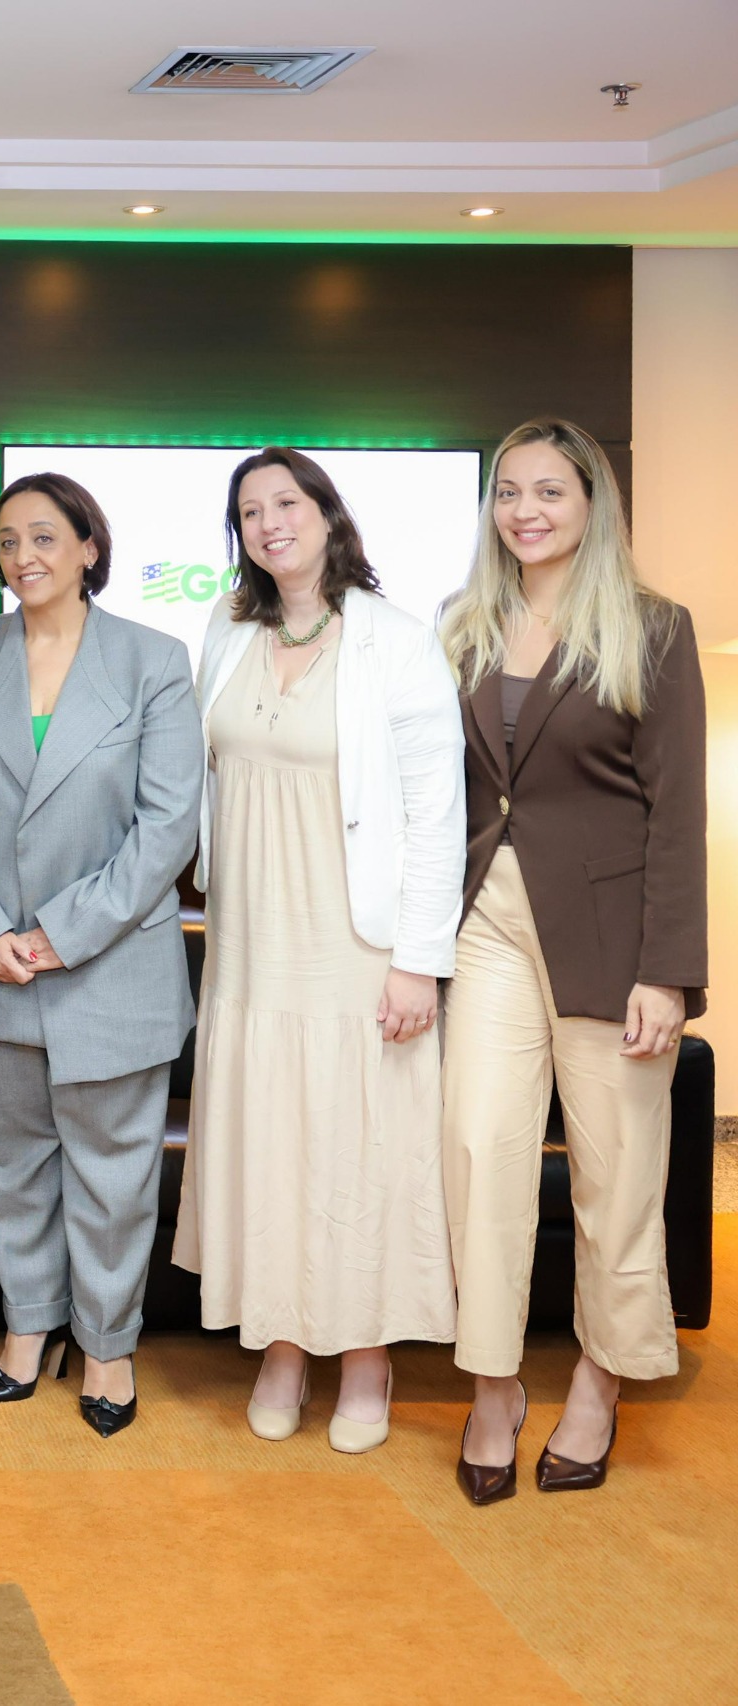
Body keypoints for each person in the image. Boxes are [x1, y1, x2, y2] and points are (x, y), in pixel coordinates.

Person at [171, 448, 463, 1454]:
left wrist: (416, 958)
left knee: (359, 1147)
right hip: (249, 942)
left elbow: (436, 812)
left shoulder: (393, 640)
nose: (267, 522)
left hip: (354, 942)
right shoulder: (225, 629)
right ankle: (285, 1341)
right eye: (248, 511)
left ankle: (366, 1354)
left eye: (284, 502)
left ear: (326, 515)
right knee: (272, 1141)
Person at [438, 419, 705, 1502]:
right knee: (477, 1153)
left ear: (592, 502)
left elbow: (675, 809)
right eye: (508, 491)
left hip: (609, 936)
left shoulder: (651, 627)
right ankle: (493, 1383)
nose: (525, 510)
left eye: (549, 490)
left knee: (616, 1176)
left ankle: (600, 1379)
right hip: (486, 919)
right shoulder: (461, 625)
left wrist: (668, 969)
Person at [0, 472, 201, 1439]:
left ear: (88, 546)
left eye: (45, 536)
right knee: (9, 1166)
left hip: (110, 962)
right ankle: (29, 1329)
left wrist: (63, 932)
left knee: (116, 1176)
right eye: (7, 540)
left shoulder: (153, 659)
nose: (24, 556)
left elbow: (168, 827)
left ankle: (108, 1343)